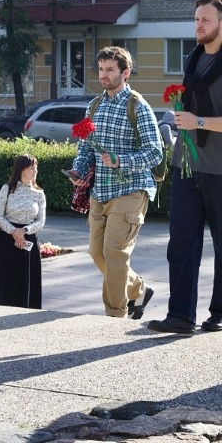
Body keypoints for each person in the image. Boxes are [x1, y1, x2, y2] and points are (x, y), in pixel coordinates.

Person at [147, 0, 222, 335]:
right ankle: (180, 315)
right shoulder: (194, 60)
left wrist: (198, 122)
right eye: (196, 19)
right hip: (188, 166)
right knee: (181, 242)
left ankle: (220, 313)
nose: (198, 25)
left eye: (205, 20)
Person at [67, 46, 163, 319]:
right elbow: (85, 148)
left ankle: (114, 316)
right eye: (100, 69)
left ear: (125, 72)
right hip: (101, 190)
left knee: (114, 253)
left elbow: (155, 151)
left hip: (132, 190)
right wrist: (78, 170)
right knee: (97, 253)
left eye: (110, 69)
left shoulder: (137, 105)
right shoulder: (94, 105)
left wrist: (121, 160)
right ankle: (138, 289)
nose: (103, 75)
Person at [0, 154, 46, 308]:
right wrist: (14, 231)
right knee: (6, 277)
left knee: (26, 278)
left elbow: (41, 221)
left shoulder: (39, 194)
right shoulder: (7, 189)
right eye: (31, 167)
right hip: (7, 240)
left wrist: (24, 231)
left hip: (28, 240)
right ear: (21, 169)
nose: (35, 171)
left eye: (36, 168)